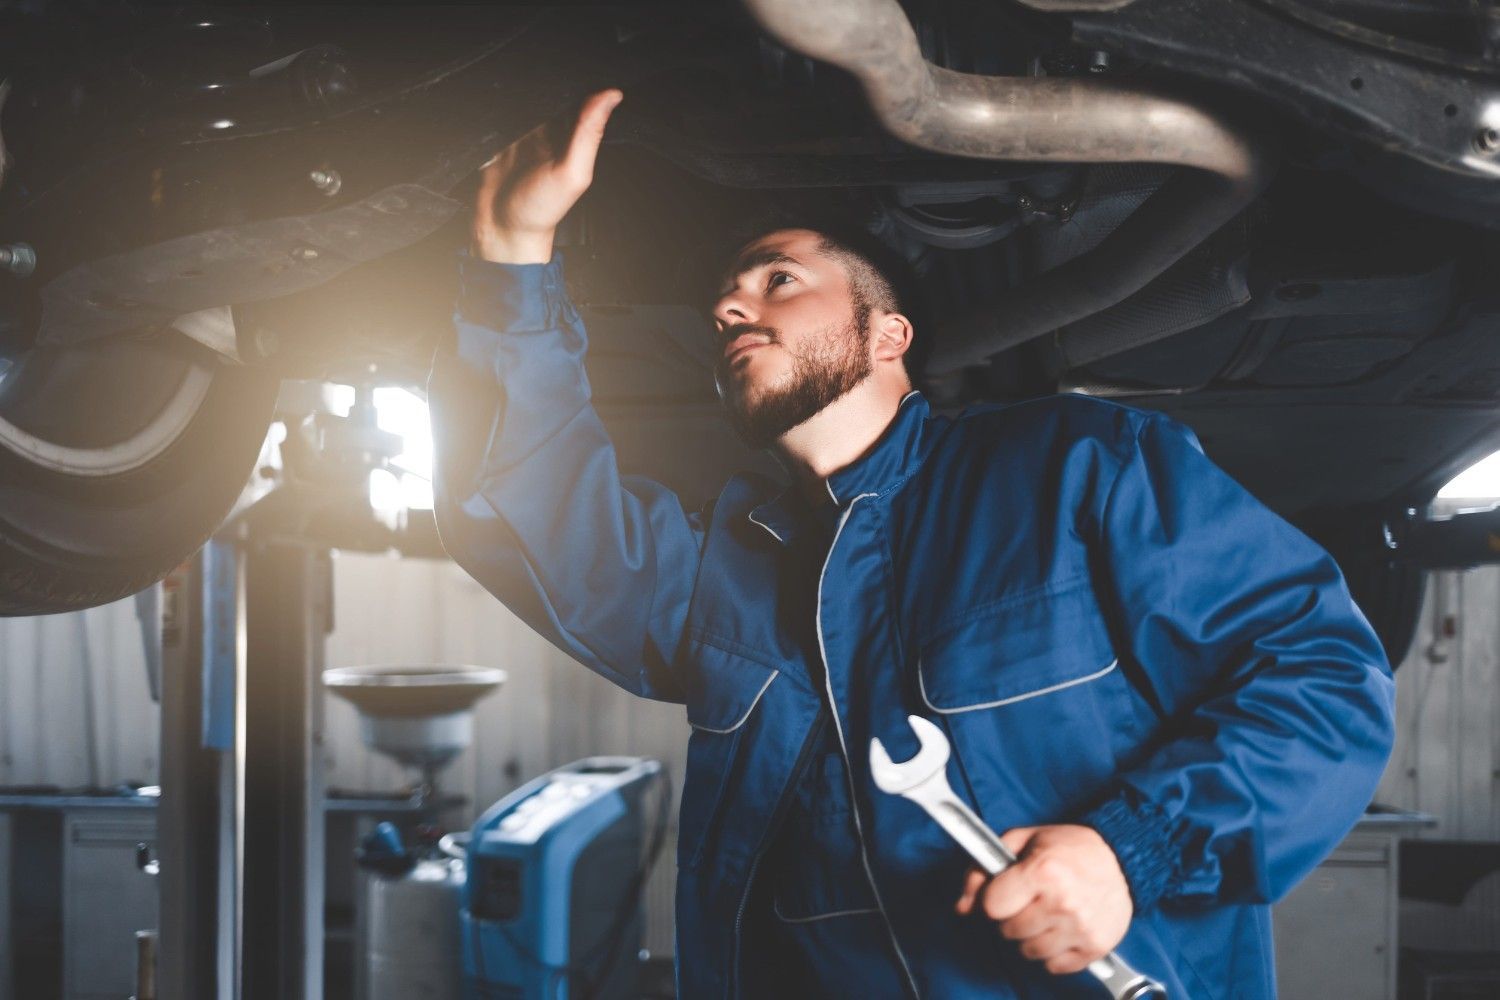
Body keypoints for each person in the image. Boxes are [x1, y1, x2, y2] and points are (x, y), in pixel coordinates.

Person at [429, 88, 1396, 999]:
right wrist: (513, 250)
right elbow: (525, 503)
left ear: (887, 334)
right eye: (724, 302)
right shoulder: (725, 569)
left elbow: (1318, 673)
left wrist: (1130, 849)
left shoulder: (1075, 467)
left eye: (778, 279)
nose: (731, 309)